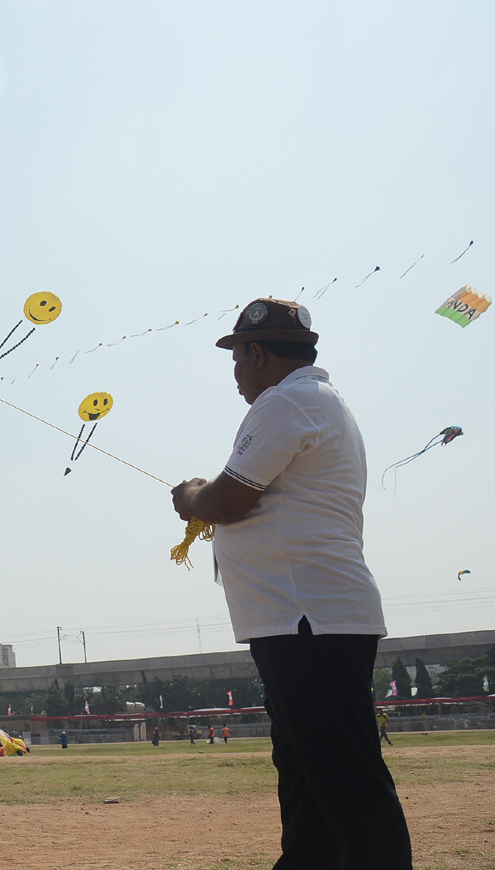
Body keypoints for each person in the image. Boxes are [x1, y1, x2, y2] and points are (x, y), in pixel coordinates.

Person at [171, 297, 412, 868]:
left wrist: (188, 496)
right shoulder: (315, 400)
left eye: (236, 358)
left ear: (257, 352)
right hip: (304, 617)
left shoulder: (287, 402)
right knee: (307, 783)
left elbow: (227, 501)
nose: (235, 374)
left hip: (308, 619)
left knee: (346, 782)